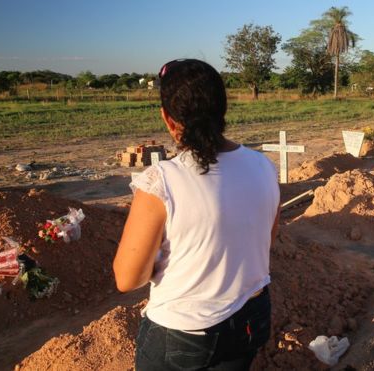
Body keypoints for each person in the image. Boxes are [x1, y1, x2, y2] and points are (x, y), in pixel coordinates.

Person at [113, 59, 280, 371]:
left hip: (185, 335)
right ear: (223, 110)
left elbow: (127, 278)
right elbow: (263, 240)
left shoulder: (161, 180)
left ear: (167, 118)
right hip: (251, 319)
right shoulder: (263, 167)